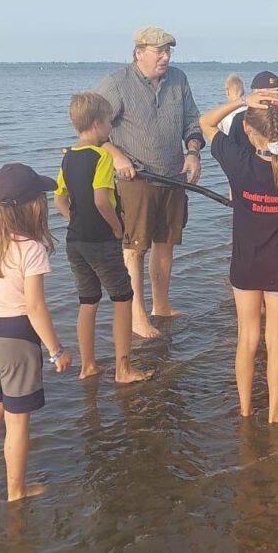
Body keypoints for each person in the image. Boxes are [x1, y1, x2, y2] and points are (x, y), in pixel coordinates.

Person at [200, 73, 278, 423]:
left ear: (249, 131)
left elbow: (205, 122)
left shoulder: (238, 162)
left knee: (247, 338)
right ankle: (273, 415)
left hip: (246, 264)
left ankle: (244, 409)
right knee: (277, 341)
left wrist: (243, 101)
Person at [0, 163, 73, 501]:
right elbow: (35, 307)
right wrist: (56, 349)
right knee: (17, 421)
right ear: (32, 206)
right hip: (15, 337)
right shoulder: (31, 248)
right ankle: (17, 490)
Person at [92, 26, 204, 339]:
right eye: (159, 51)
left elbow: (192, 122)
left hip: (173, 175)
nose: (165, 57)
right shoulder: (116, 83)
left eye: (169, 51)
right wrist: (115, 154)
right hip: (134, 179)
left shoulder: (179, 79)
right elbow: (91, 126)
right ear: (139, 52)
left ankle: (161, 306)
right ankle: (136, 315)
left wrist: (193, 153)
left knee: (166, 244)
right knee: (134, 248)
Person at [54, 93, 153, 384]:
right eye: (109, 122)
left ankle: (88, 366)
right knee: (123, 298)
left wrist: (75, 220)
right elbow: (101, 200)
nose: (111, 128)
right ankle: (124, 368)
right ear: (97, 124)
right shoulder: (101, 157)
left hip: (76, 241)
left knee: (88, 301)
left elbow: (60, 199)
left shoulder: (68, 157)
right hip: (100, 240)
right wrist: (116, 228)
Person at [218, 73, 278, 150]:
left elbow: (207, 124)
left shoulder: (240, 117)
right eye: (277, 96)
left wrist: (243, 100)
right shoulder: (240, 118)